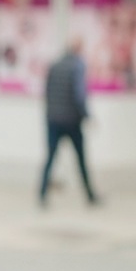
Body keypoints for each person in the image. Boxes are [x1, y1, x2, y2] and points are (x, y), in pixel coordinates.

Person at [39, 38, 100, 208]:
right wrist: (87, 116)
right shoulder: (78, 66)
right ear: (78, 49)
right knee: (81, 160)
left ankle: (42, 195)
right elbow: (79, 95)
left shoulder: (55, 65)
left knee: (50, 159)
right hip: (72, 122)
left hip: (53, 121)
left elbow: (47, 93)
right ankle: (90, 195)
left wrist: (50, 115)